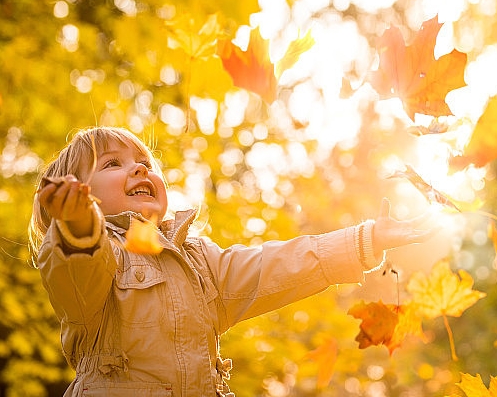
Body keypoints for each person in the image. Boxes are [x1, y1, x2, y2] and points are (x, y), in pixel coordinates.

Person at [29, 126, 438, 397]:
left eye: (145, 163)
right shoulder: (95, 255)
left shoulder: (198, 260)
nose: (138, 167)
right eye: (112, 163)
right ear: (79, 195)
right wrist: (79, 225)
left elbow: (275, 265)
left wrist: (363, 240)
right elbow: (75, 273)